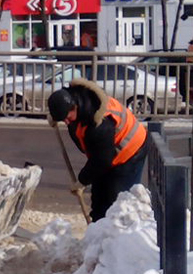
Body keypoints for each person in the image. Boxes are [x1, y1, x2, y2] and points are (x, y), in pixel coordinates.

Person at [48, 79, 148, 221]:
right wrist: (55, 117)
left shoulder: (99, 123)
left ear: (74, 106)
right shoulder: (77, 102)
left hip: (130, 152)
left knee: (117, 204)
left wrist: (82, 180)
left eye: (67, 117)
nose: (66, 122)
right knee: (99, 198)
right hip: (106, 153)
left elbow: (101, 161)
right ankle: (97, 230)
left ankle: (119, 238)